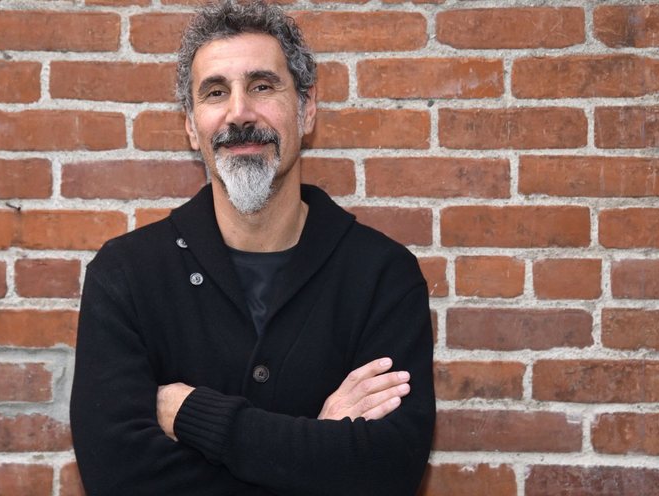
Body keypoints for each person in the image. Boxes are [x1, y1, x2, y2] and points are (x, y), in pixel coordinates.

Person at [70, 1, 435, 494]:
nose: (239, 113)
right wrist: (319, 448)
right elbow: (117, 479)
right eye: (215, 92)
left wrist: (196, 416)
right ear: (190, 124)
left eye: (262, 86)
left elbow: (388, 472)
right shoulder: (126, 276)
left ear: (306, 109)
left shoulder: (382, 277)